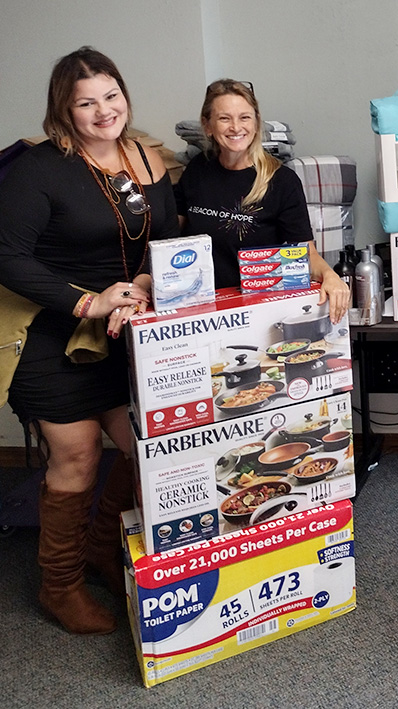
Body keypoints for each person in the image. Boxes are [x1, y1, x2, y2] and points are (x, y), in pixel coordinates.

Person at [0, 47, 178, 634]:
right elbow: (5, 256)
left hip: (125, 333)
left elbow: (165, 239)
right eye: (86, 102)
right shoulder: (40, 169)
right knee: (76, 457)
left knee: (142, 449)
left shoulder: (147, 157)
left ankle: (103, 548)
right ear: (65, 109)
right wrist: (88, 300)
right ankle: (61, 585)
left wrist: (148, 283)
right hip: (53, 334)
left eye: (111, 95)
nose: (104, 111)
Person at [175, 79, 349, 321]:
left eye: (244, 117)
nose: (236, 127)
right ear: (207, 126)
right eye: (225, 118)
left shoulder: (282, 181)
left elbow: (305, 252)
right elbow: (172, 233)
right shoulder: (196, 170)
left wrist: (330, 275)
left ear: (256, 123)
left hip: (258, 311)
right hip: (202, 308)